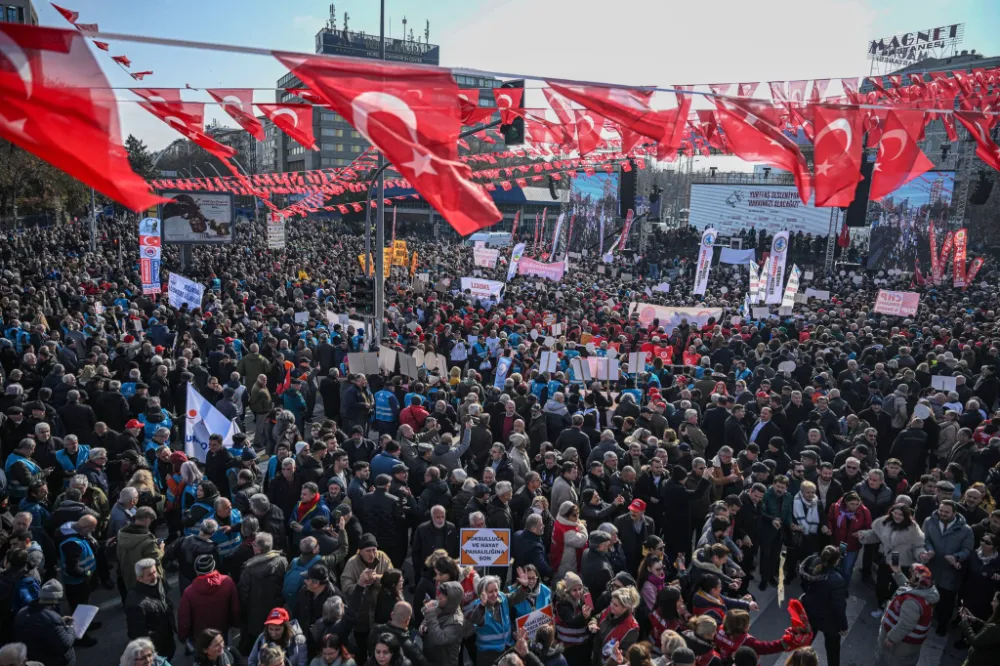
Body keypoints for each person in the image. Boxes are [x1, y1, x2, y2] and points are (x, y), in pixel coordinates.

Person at [856, 503, 928, 611]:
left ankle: (890, 607)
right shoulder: (885, 522)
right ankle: (881, 605)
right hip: (888, 558)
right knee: (881, 585)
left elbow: (918, 545)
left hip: (903, 561)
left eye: (901, 514)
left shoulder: (913, 528)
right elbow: (875, 535)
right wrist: (864, 535)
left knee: (896, 587)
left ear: (906, 516)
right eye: (895, 513)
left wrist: (921, 554)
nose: (897, 516)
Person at [922, 499, 974, 634]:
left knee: (946, 603)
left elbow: (967, 550)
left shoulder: (966, 530)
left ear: (954, 513)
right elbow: (924, 539)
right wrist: (929, 549)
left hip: (949, 572)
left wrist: (956, 557)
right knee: (925, 596)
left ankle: (942, 625)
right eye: (941, 510)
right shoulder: (929, 521)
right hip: (931, 567)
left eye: (946, 512)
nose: (943, 514)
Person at [873, 562, 940, 666]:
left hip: (900, 646)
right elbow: (910, 588)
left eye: (911, 574)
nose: (909, 577)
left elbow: (905, 625)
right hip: (907, 645)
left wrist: (891, 638)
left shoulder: (912, 602)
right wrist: (898, 573)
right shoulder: (925, 591)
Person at [238, 532, 289, 655]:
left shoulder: (249, 568)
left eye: (254, 544)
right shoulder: (282, 561)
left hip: (255, 610)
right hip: (276, 608)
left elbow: (243, 592)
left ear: (258, 549)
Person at [178, 554, 241, 652]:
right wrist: (235, 623)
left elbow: (184, 619)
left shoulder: (189, 592)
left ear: (196, 570)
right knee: (224, 656)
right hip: (222, 631)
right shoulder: (227, 582)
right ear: (213, 566)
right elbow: (235, 608)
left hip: (200, 637)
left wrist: (183, 636)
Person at [798, 546, 848, 666]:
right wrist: (843, 626)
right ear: (836, 561)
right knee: (833, 653)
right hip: (829, 620)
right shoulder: (837, 580)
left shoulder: (811, 566)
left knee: (804, 647)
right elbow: (839, 607)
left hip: (810, 613)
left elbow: (804, 585)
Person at [12, 580, 76, 666]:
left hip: (36, 659)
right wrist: (71, 628)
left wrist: (60, 621)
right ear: (55, 599)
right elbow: (65, 644)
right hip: (57, 661)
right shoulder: (52, 619)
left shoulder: (21, 613)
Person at [124, 558, 176, 662]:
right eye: (150, 574)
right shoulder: (136, 604)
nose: (155, 576)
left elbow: (163, 598)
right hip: (156, 650)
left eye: (154, 571)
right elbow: (138, 634)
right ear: (139, 578)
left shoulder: (158, 582)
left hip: (167, 639)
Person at [588, 585, 641, 665]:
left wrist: (617, 654)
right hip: (595, 656)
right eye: (611, 602)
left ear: (626, 608)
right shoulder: (611, 609)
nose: (611, 605)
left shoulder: (631, 628)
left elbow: (626, 655)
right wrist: (593, 623)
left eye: (616, 605)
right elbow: (598, 617)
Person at [420, 581, 465, 666]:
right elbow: (428, 618)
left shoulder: (457, 622)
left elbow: (440, 639)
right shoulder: (442, 606)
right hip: (431, 657)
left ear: (452, 600)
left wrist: (430, 614)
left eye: (444, 596)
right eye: (440, 593)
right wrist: (424, 624)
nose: (439, 597)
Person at [957, 591, 1000, 666]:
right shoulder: (996, 624)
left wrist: (964, 622)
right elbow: (988, 630)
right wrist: (975, 620)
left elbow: (975, 641)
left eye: (994, 601)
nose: (991, 603)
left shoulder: (995, 629)